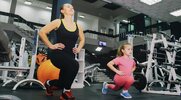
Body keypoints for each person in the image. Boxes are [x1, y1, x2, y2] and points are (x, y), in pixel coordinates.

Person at [38, 3, 85, 100]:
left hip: (70, 55)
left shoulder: (78, 26)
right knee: (75, 65)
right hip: (57, 54)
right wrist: (51, 46)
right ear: (62, 11)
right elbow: (42, 32)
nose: (71, 8)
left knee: (62, 82)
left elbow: (83, 39)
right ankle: (66, 92)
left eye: (72, 7)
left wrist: (79, 48)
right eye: (68, 6)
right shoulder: (58, 22)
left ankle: (49, 84)